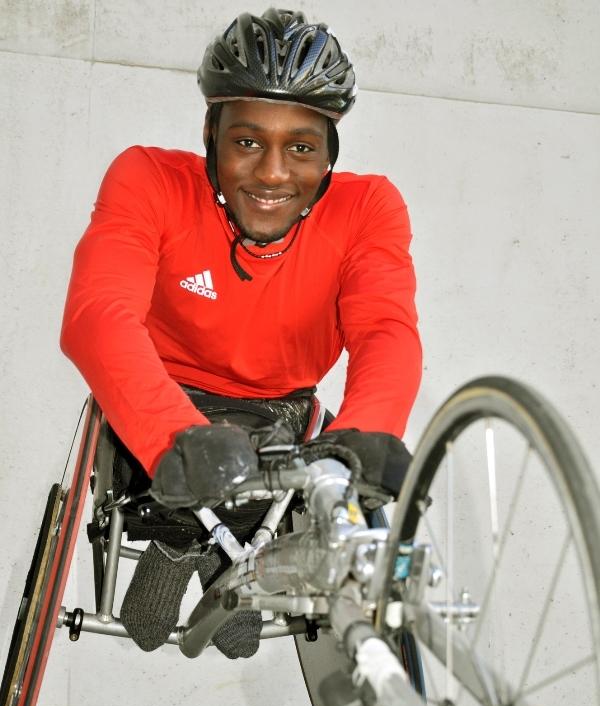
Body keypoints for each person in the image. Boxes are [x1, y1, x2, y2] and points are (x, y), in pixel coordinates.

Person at [60, 8, 422, 658]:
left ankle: (237, 537)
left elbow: (386, 329)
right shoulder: (147, 179)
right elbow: (98, 314)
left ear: (330, 150)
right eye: (248, 141)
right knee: (201, 469)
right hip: (162, 403)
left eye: (302, 147)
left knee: (306, 485)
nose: (274, 173)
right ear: (211, 132)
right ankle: (181, 526)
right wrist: (173, 436)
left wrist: (366, 432)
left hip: (281, 414)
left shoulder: (369, 208)